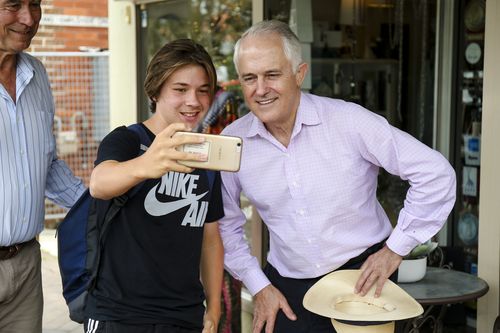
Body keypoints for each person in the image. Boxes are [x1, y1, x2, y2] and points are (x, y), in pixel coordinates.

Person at [219, 20, 456, 333]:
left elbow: (435, 173)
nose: (260, 89)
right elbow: (225, 224)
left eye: (272, 75)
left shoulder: (348, 121)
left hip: (363, 278)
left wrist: (395, 249)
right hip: (286, 288)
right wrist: (258, 286)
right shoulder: (233, 142)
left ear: (299, 73)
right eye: (250, 78)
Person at [84, 39, 224, 333]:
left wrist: (213, 308)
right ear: (155, 90)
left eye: (203, 90)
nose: (193, 101)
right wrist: (146, 164)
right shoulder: (128, 140)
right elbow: (99, 183)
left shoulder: (206, 155)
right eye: (180, 89)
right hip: (119, 314)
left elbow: (210, 238)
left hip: (184, 316)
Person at [0, 1, 85, 332]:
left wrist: (99, 206)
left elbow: (45, 164)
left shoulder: (36, 74)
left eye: (34, 4)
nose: (28, 18)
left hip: (25, 268)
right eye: (13, 5)